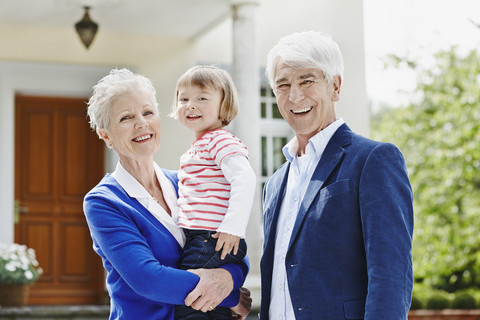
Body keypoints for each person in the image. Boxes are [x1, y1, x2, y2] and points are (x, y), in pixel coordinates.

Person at [260, 31, 414, 319]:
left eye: (307, 81)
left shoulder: (373, 160)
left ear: (335, 86)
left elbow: (391, 276)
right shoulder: (275, 182)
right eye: (283, 85)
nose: (295, 96)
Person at [83, 68, 251, 320]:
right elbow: (149, 280)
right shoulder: (105, 202)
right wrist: (231, 296)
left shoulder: (186, 183)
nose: (142, 123)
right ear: (105, 134)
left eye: (148, 112)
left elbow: (232, 248)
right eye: (126, 118)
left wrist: (230, 276)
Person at [169, 65, 256, 320]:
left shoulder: (219, 140)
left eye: (202, 98)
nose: (190, 105)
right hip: (203, 238)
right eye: (183, 99)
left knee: (187, 299)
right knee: (208, 303)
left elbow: (244, 177)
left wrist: (233, 228)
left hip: (213, 237)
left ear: (224, 105)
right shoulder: (198, 147)